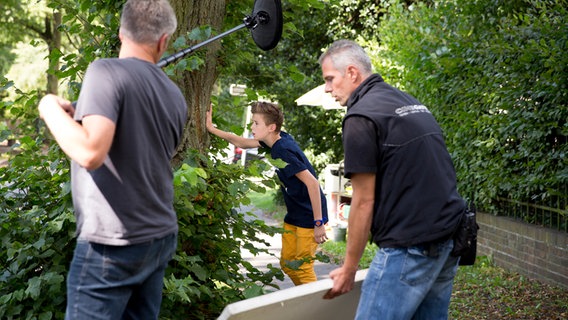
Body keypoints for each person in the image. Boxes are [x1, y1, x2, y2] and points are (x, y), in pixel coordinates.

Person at [37, 0, 187, 318]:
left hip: (113, 244)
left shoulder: (105, 71)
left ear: (121, 33)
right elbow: (141, 149)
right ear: (163, 41)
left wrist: (49, 106)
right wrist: (86, 114)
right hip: (158, 236)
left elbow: (91, 152)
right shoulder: (175, 96)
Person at [319, 39, 465, 319]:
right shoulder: (407, 101)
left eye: (330, 79)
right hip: (449, 238)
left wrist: (349, 267)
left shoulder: (360, 117)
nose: (327, 89)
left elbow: (363, 201)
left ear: (352, 73)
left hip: (411, 247)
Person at [206, 101, 328, 285]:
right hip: (294, 213)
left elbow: (312, 183)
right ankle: (305, 300)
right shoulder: (274, 141)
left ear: (271, 127)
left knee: (302, 268)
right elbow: (243, 142)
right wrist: (211, 129)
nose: (252, 126)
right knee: (288, 264)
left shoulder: (282, 150)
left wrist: (318, 222)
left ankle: (315, 309)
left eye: (256, 123)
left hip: (310, 215)